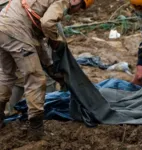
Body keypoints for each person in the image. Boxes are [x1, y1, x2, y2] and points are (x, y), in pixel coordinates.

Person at [0, 0, 94, 141]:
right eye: (81, 7)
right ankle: (36, 127)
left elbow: (38, 39)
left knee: (7, 75)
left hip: (3, 25)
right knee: (35, 78)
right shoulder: (63, 1)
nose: (79, 11)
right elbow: (47, 24)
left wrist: (49, 66)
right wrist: (56, 41)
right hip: (16, 29)